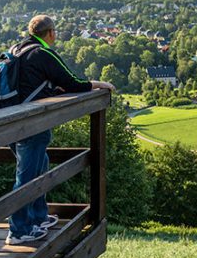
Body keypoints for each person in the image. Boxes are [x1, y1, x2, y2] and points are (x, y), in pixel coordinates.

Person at [6, 15, 115, 245]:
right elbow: (71, 81)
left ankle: (38, 217)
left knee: (39, 166)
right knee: (27, 175)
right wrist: (98, 84)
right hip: (32, 122)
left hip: (12, 120)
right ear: (50, 33)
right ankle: (19, 230)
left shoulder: (17, 49)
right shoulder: (42, 53)